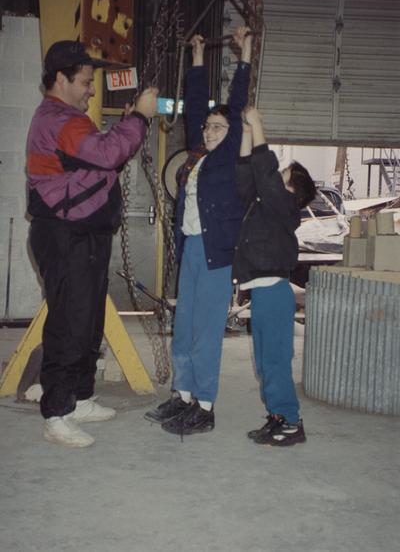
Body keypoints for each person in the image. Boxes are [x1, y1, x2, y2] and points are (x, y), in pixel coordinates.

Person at [27, 40, 158, 448]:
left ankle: (79, 396)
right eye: (85, 82)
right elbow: (107, 153)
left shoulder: (69, 120)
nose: (90, 90)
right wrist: (139, 116)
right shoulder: (59, 119)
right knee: (69, 324)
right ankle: (57, 412)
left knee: (87, 322)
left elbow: (99, 160)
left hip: (84, 236)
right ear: (62, 79)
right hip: (67, 236)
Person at [144, 27, 252, 435]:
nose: (208, 131)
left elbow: (238, 105)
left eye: (217, 127)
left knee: (206, 332)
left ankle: (204, 406)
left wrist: (244, 56)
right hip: (192, 251)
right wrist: (197, 59)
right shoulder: (197, 157)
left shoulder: (227, 161)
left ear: (231, 134)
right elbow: (192, 109)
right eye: (207, 126)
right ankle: (183, 395)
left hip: (216, 255)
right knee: (184, 325)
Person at [232, 107, 316, 447]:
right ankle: (278, 417)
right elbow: (245, 180)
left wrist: (259, 126)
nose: (277, 175)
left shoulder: (284, 208)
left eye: (284, 175)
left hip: (275, 294)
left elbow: (265, 176)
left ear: (293, 193)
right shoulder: (267, 205)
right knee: (266, 364)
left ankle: (292, 423)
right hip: (263, 293)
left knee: (277, 361)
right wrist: (246, 135)